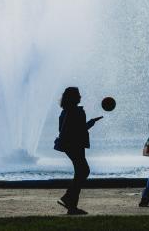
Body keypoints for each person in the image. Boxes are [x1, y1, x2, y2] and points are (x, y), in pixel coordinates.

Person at [54, 87, 102, 215]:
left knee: (80, 172)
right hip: (74, 145)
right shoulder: (74, 111)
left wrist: (90, 123)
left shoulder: (66, 111)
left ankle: (72, 206)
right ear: (73, 97)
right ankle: (68, 199)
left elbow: (72, 128)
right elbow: (70, 130)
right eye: (78, 94)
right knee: (83, 170)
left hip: (72, 145)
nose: (80, 96)